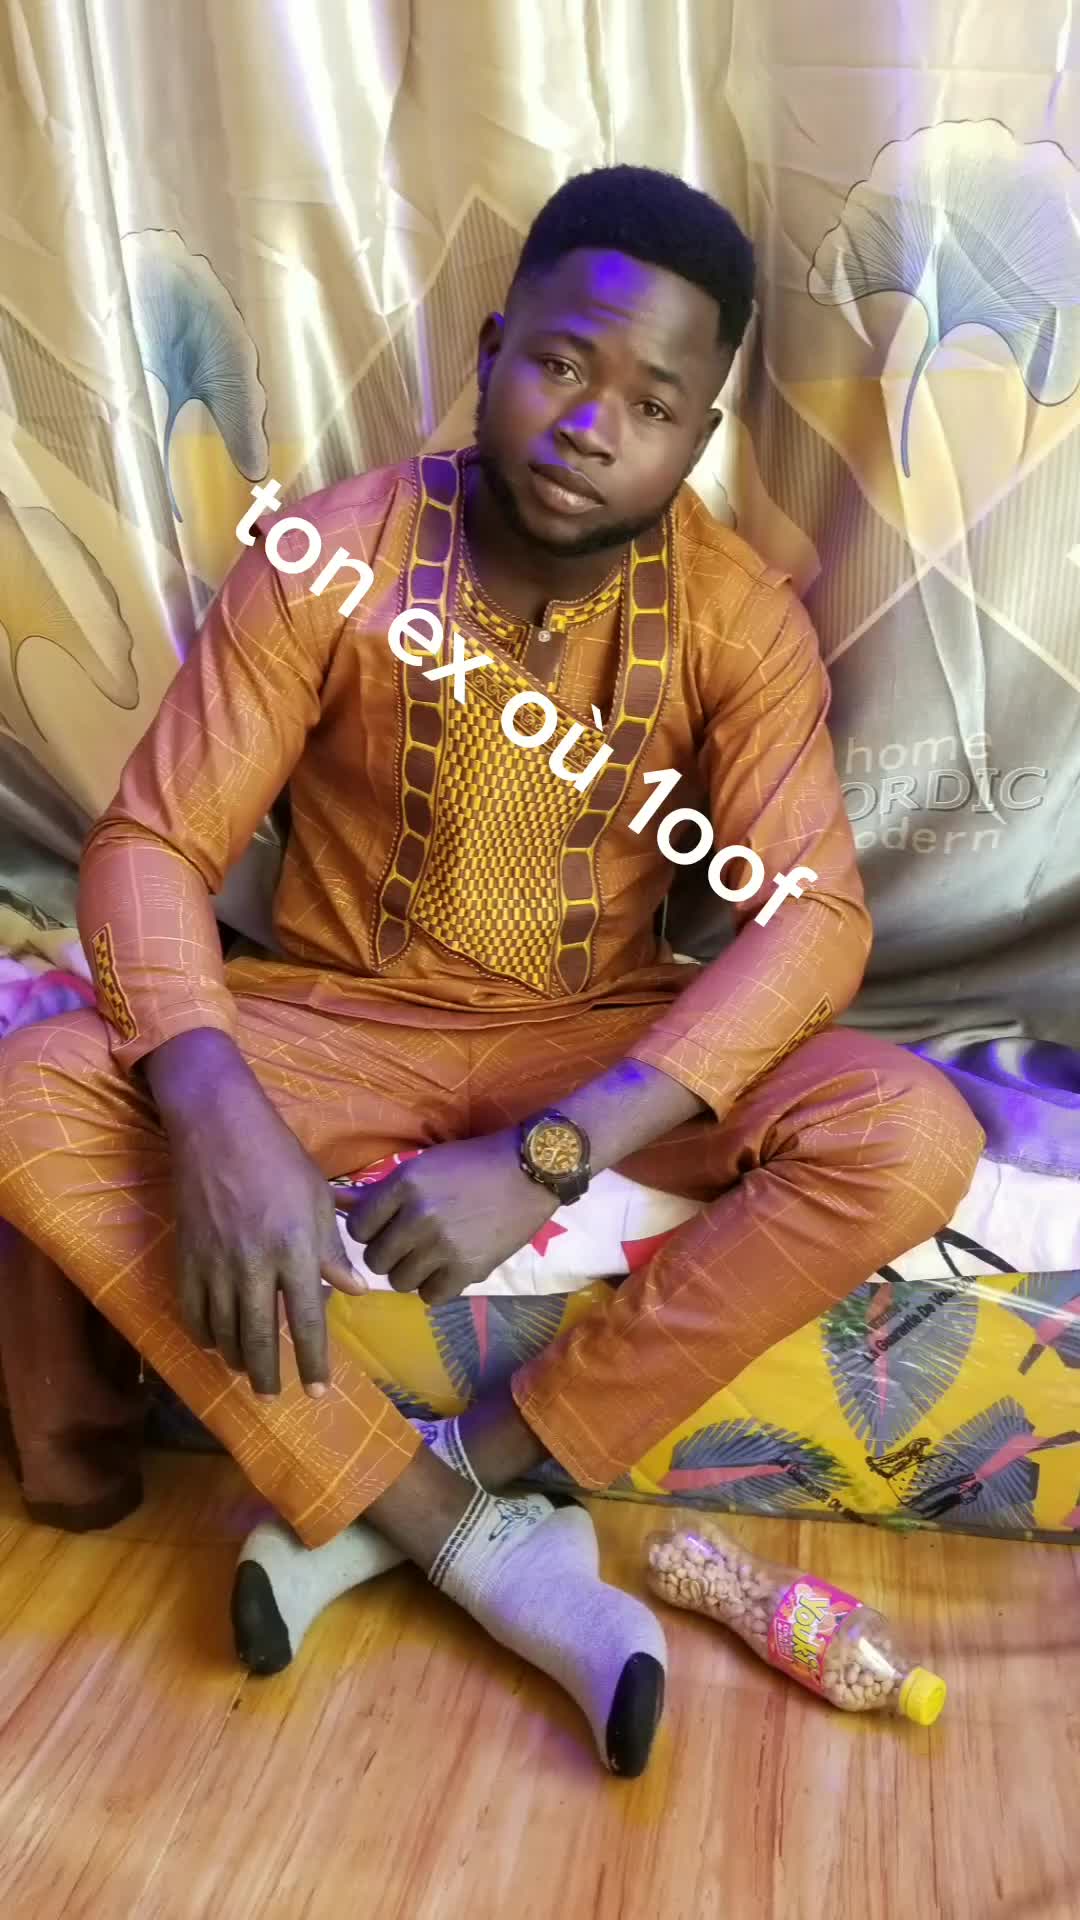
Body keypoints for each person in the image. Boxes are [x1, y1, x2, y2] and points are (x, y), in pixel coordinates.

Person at [0, 164, 983, 1778]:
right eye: (562, 365)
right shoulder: (330, 558)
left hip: (593, 1040)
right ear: (491, 349)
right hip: (334, 1016)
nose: (593, 426)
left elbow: (816, 920)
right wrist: (211, 1095)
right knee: (35, 1089)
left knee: (910, 1132)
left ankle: (482, 1462)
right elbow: (150, 843)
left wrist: (550, 1155)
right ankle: (463, 1536)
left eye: (651, 404)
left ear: (698, 436)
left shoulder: (737, 620)